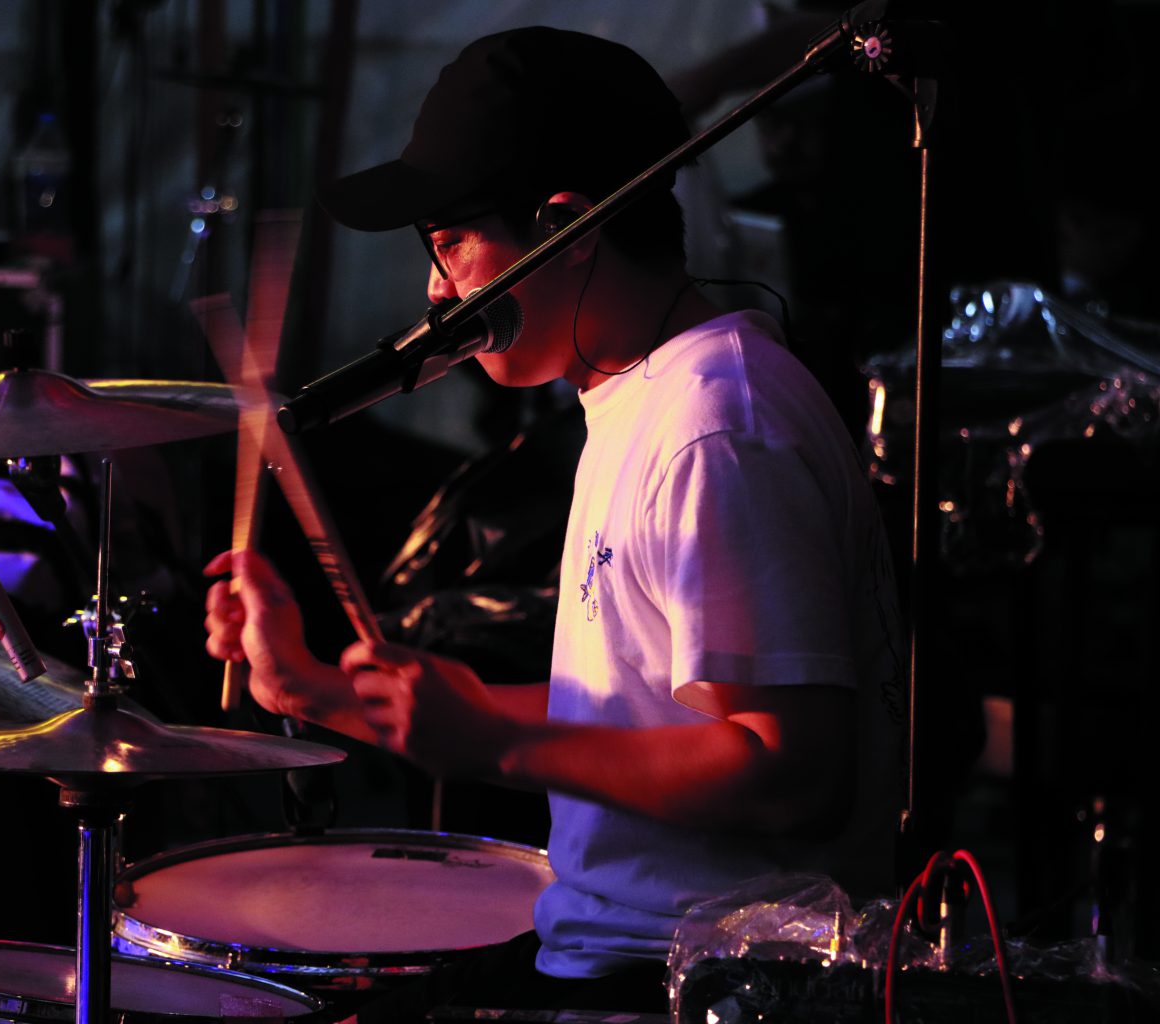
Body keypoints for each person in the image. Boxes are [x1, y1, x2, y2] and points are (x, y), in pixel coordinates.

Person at [203, 26, 905, 1019]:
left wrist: (495, 743)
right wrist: (311, 688)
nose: (435, 291)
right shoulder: (644, 398)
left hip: (703, 985)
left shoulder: (717, 425)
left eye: (450, 243)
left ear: (568, 227)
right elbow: (634, 714)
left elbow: (792, 772)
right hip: (632, 960)